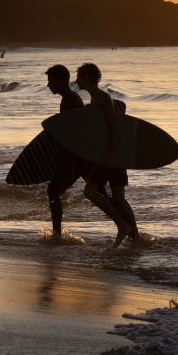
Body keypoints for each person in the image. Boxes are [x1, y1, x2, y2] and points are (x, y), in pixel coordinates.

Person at [75, 62, 139, 246]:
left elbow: (114, 127)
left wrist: (111, 157)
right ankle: (136, 236)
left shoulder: (102, 97)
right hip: (114, 155)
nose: (77, 80)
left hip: (110, 156)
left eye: (79, 76)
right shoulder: (96, 99)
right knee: (119, 198)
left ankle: (121, 226)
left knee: (89, 191)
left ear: (87, 78)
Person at [44, 64, 86, 237]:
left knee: (53, 191)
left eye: (50, 81)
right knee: (99, 194)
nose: (48, 85)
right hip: (78, 155)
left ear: (61, 80)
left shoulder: (71, 99)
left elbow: (77, 132)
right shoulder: (69, 98)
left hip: (76, 156)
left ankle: (57, 234)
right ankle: (128, 229)